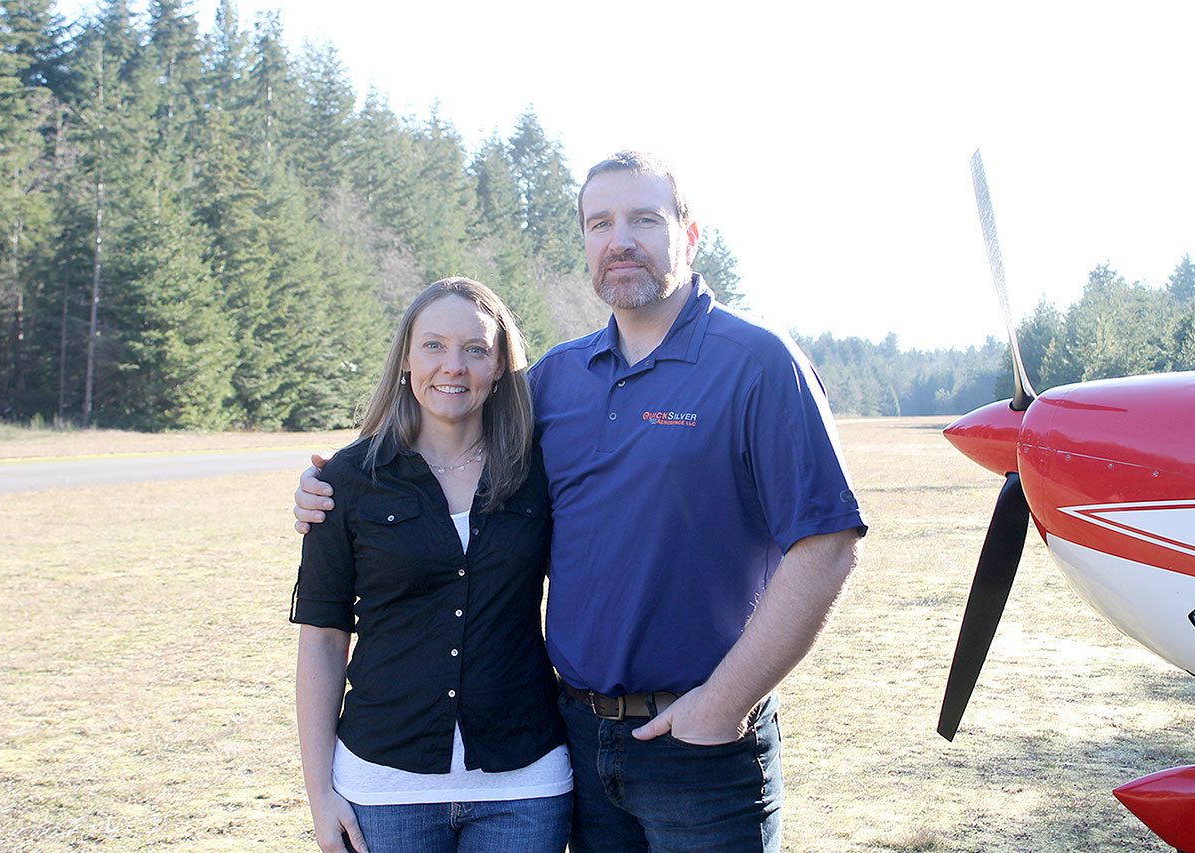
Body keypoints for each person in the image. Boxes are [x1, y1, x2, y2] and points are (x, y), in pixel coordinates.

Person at [295, 153, 866, 852]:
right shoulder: (556, 382)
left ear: (688, 234)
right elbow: (449, 413)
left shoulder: (759, 362)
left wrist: (721, 704)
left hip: (703, 748)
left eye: (643, 219)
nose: (619, 239)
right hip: (579, 745)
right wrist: (336, 481)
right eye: (600, 222)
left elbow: (829, 544)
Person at [291, 277, 572, 853]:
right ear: (405, 360)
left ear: (499, 366)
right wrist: (320, 794)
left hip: (526, 784)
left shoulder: (539, 474)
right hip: (383, 788)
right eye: (434, 346)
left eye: (475, 349)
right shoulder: (345, 482)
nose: (454, 366)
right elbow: (322, 640)